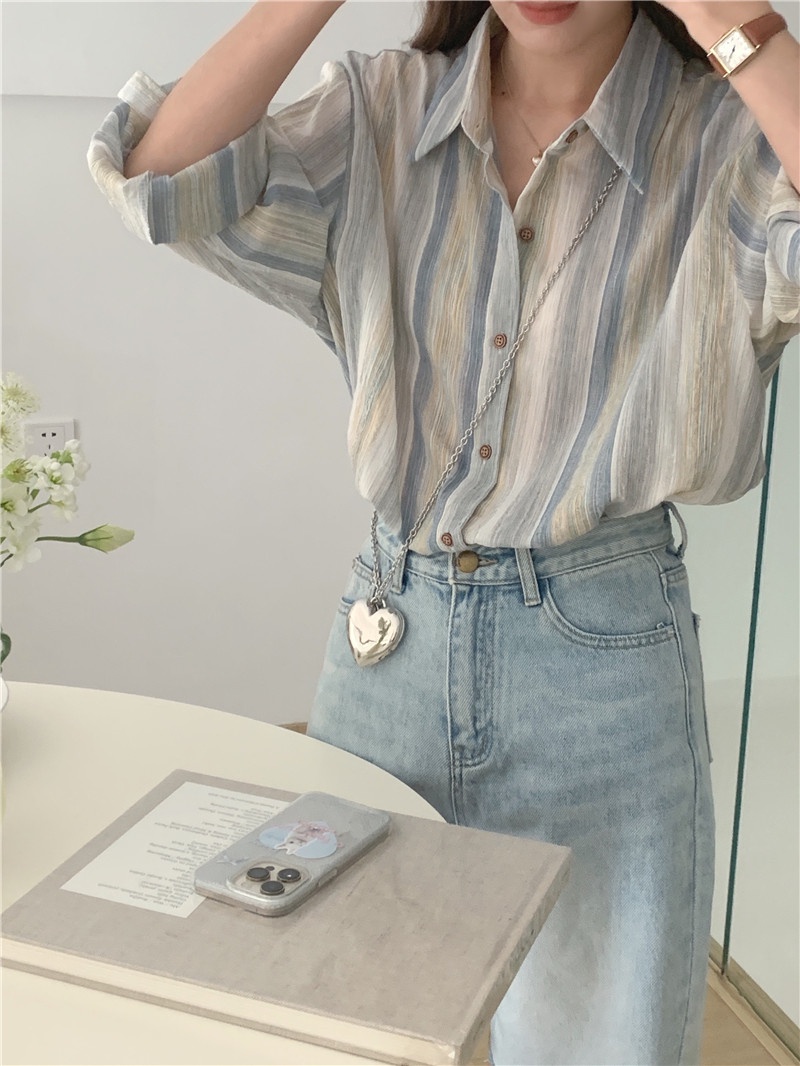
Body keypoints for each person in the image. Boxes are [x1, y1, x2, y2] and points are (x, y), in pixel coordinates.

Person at [87, 1, 799, 1062]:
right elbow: (162, 182)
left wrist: (730, 23)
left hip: (604, 667)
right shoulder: (384, 108)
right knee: (337, 1026)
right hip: (390, 644)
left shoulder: (726, 137)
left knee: (600, 1046)